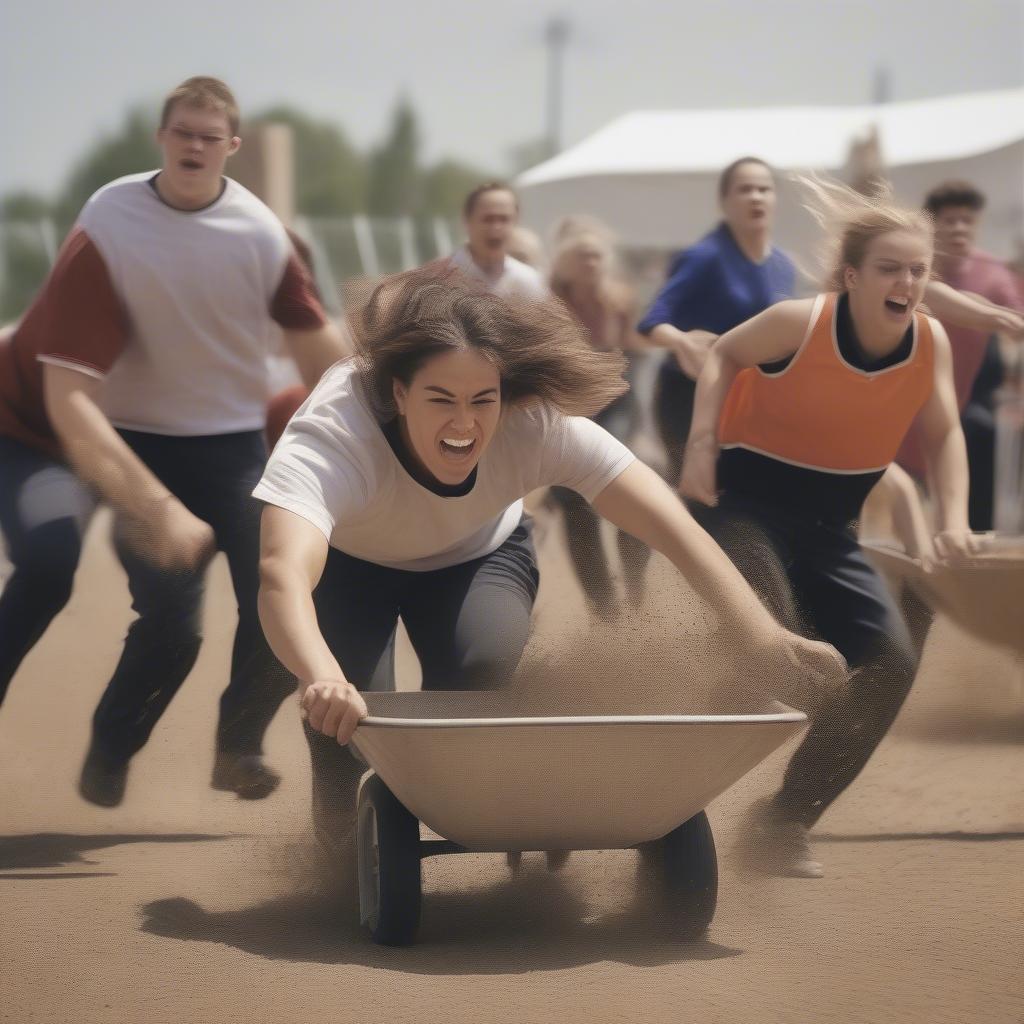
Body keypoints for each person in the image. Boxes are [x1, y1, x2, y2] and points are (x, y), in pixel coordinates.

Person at [253, 266, 846, 889]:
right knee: (352, 719)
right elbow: (280, 574)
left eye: (482, 400)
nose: (464, 425)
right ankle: (332, 863)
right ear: (398, 394)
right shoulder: (334, 434)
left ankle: (508, 819)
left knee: (479, 684)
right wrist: (321, 678)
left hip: (476, 556)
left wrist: (758, 632)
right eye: (440, 400)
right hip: (351, 565)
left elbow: (670, 526)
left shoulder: (533, 424)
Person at [0, 77, 346, 807]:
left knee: (285, 595)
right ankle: (114, 743)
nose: (194, 145)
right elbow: (70, 403)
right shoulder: (110, 221)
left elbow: (326, 363)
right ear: (162, 137)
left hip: (228, 445)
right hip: (127, 439)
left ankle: (239, 744)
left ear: (232, 147)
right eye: (182, 132)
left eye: (209, 136)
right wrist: (156, 508)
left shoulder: (262, 236)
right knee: (171, 615)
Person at [680, 176, 975, 878]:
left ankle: (783, 822)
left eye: (918, 271)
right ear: (852, 276)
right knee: (779, 651)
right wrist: (699, 446)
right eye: (890, 269)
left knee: (890, 668)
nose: (907, 282)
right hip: (743, 507)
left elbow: (946, 434)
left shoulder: (927, 341)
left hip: (830, 528)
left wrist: (954, 520)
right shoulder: (800, 322)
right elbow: (722, 353)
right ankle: (699, 714)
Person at [638, 158, 796, 482]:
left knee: (746, 500)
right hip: (690, 396)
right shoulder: (704, 257)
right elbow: (652, 323)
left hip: (752, 401)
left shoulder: (783, 265)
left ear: (775, 199)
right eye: (745, 189)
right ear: (724, 202)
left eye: (764, 189)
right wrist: (681, 341)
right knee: (700, 501)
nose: (756, 197)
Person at [896, 180, 1024, 530]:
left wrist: (1003, 317)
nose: (959, 228)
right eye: (949, 220)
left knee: (974, 459)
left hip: (959, 404)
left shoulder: (993, 273)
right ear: (932, 225)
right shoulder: (910, 265)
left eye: (967, 220)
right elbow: (931, 296)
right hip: (900, 401)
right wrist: (989, 314)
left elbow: (1016, 320)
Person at [548, 223, 649, 615]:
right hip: (567, 405)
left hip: (615, 400)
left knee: (627, 482)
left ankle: (635, 577)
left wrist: (671, 338)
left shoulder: (619, 299)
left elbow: (634, 350)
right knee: (573, 501)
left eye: (596, 255)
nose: (590, 262)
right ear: (565, 264)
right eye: (582, 255)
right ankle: (601, 603)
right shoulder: (551, 304)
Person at [445, 183, 549, 301]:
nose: (496, 227)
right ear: (467, 221)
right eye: (488, 219)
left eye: (504, 219)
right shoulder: (441, 280)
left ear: (516, 222)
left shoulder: (529, 281)